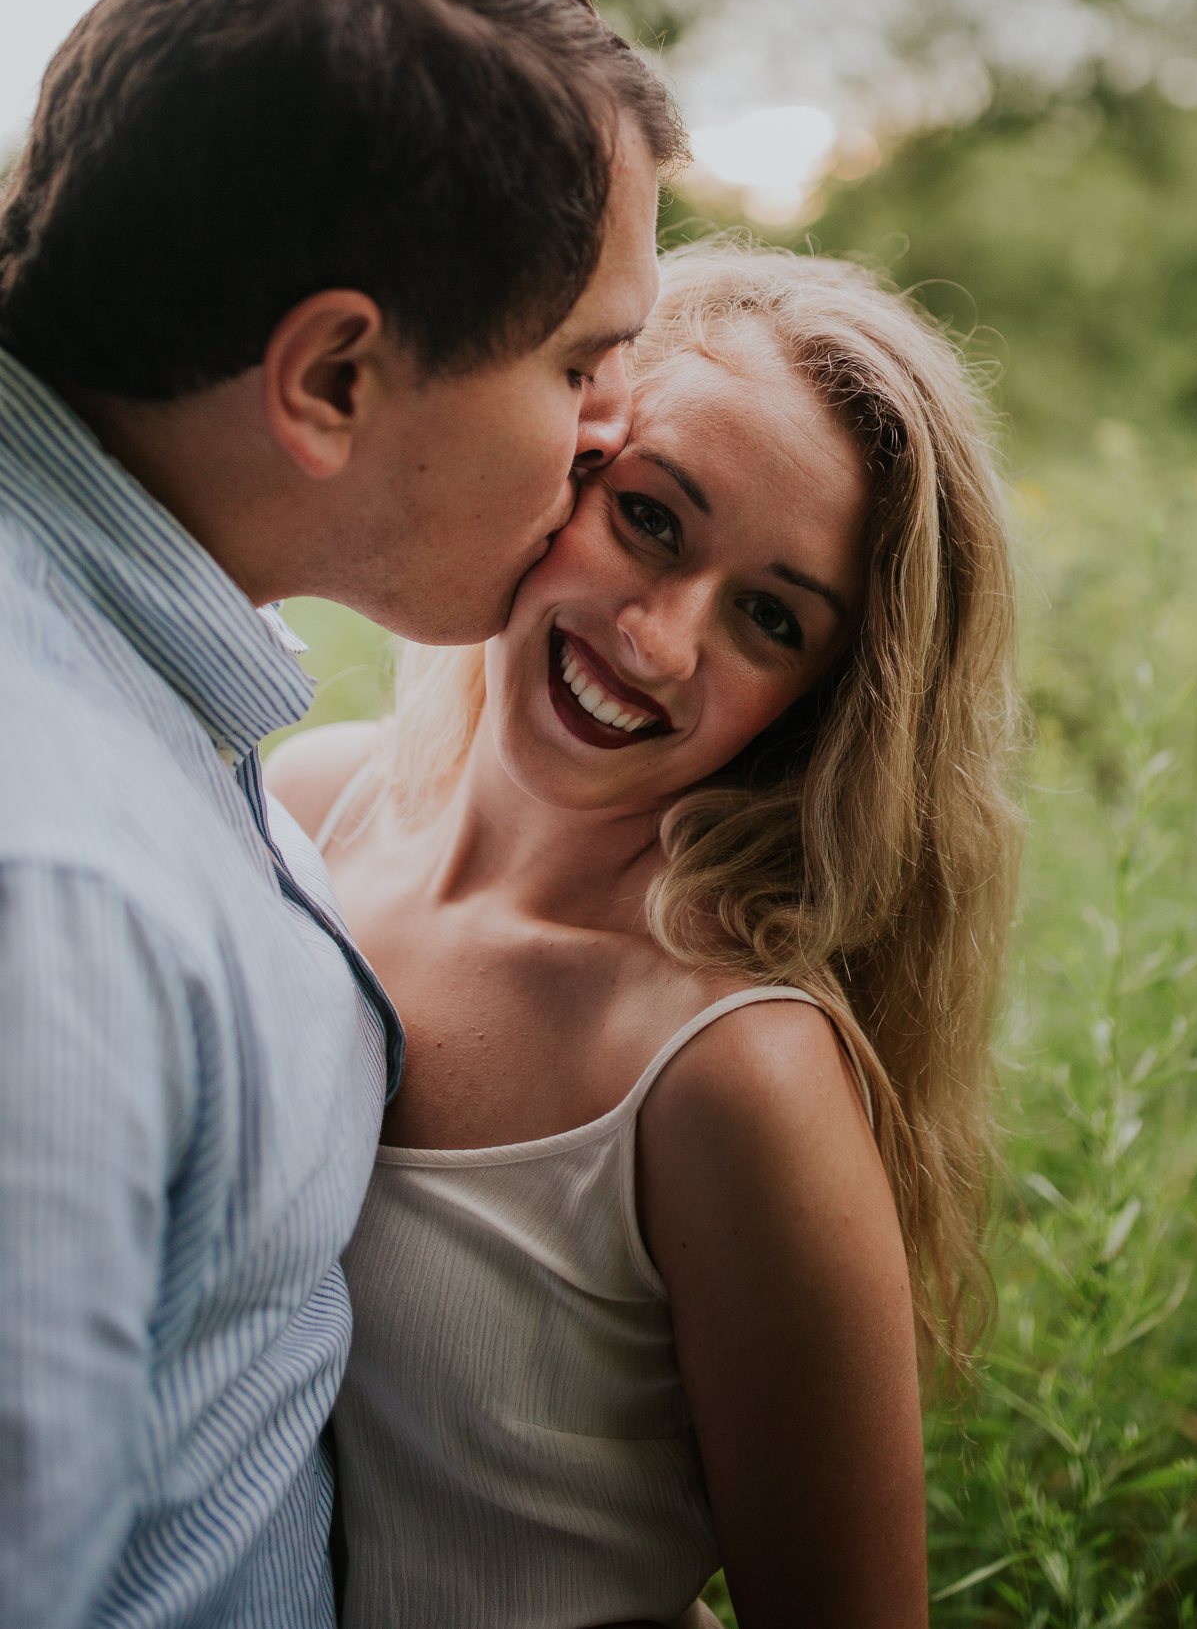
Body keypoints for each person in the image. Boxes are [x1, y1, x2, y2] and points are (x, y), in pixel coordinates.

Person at [0, 0, 682, 1629]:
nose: (612, 434)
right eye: (582, 363)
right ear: (329, 383)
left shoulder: (140, 677)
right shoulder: (56, 900)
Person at [269, 243, 1023, 1629]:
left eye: (771, 617)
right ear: (561, 457)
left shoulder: (728, 1072)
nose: (662, 641)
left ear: (817, 704)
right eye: (653, 519)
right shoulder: (308, 813)